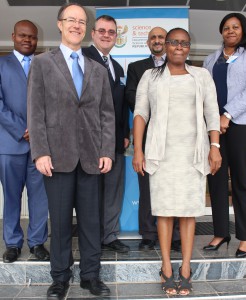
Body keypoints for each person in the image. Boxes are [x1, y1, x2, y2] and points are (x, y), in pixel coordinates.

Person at [27, 3, 115, 299]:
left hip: (92, 158)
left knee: (92, 223)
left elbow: (106, 114)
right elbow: (35, 112)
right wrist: (40, 152)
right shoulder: (42, 63)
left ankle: (91, 276)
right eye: (71, 20)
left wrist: (107, 150)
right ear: (60, 24)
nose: (77, 25)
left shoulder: (97, 69)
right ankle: (60, 278)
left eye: (81, 21)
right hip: (57, 158)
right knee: (61, 224)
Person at [132, 28, 221, 296]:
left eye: (184, 43)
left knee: (187, 211)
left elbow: (212, 112)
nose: (179, 47)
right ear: (166, 46)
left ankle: (185, 268)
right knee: (164, 211)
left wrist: (214, 147)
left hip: (192, 154)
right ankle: (166, 268)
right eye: (174, 42)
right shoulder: (150, 76)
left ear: (189, 47)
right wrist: (138, 150)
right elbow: (140, 113)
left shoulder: (202, 76)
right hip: (161, 153)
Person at [203, 13, 246, 257]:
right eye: (226, 27)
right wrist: (212, 120)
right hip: (215, 124)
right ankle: (220, 233)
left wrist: (227, 114)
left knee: (240, 179)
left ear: (243, 30)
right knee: (215, 177)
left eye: (235, 27)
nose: (230, 31)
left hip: (244, 123)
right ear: (221, 32)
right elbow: (206, 93)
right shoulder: (210, 59)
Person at [125, 27, 181, 252]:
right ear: (147, 43)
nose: (157, 41)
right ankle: (148, 234)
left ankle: (176, 235)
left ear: (167, 42)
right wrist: (154, 111)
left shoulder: (179, 65)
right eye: (153, 38)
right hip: (147, 135)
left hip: (177, 137)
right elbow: (131, 96)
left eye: (161, 38)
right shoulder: (136, 68)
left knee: (173, 187)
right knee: (147, 186)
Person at [0, 20, 49, 264]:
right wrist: (23, 129)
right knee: (11, 196)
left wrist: (39, 130)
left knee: (39, 196)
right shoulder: (1, 64)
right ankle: (12, 243)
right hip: (10, 145)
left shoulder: (44, 64)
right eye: (23, 36)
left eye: (32, 37)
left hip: (41, 147)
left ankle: (38, 242)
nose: (27, 40)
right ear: (13, 36)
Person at [82, 15, 130, 253]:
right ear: (93, 33)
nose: (106, 35)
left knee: (112, 192)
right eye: (102, 30)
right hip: (89, 141)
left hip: (115, 143)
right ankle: (91, 239)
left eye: (111, 32)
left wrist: (125, 132)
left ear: (116, 37)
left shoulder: (118, 67)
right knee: (90, 194)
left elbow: (121, 106)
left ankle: (109, 236)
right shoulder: (81, 59)